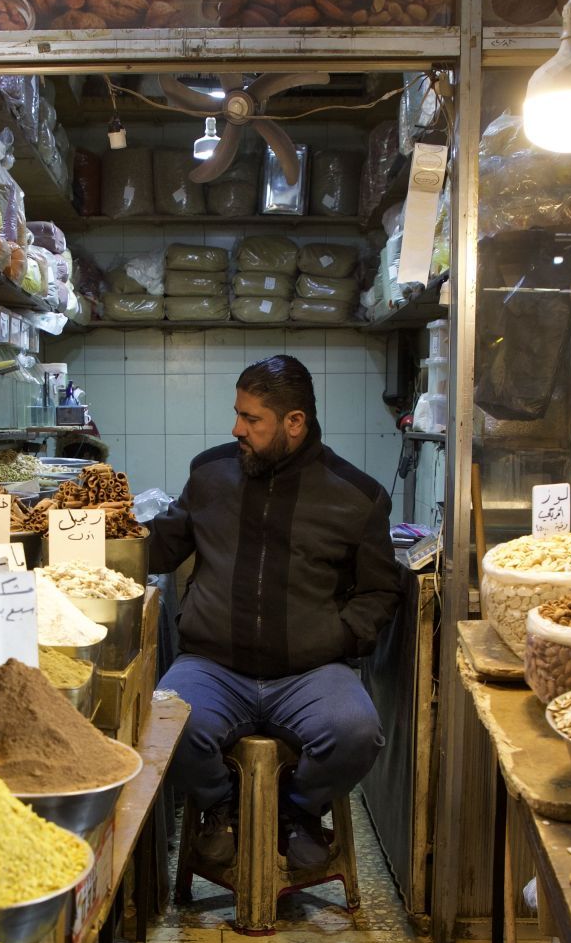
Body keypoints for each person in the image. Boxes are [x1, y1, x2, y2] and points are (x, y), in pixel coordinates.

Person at [148, 354, 403, 871]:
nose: (236, 428)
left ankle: (298, 812)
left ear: (294, 423)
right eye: (237, 414)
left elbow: (379, 593)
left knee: (357, 732)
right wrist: (80, 532)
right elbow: (157, 550)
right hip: (212, 666)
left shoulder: (357, 497)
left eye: (251, 419)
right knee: (162, 722)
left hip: (310, 674)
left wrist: (338, 638)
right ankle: (224, 807)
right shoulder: (210, 473)